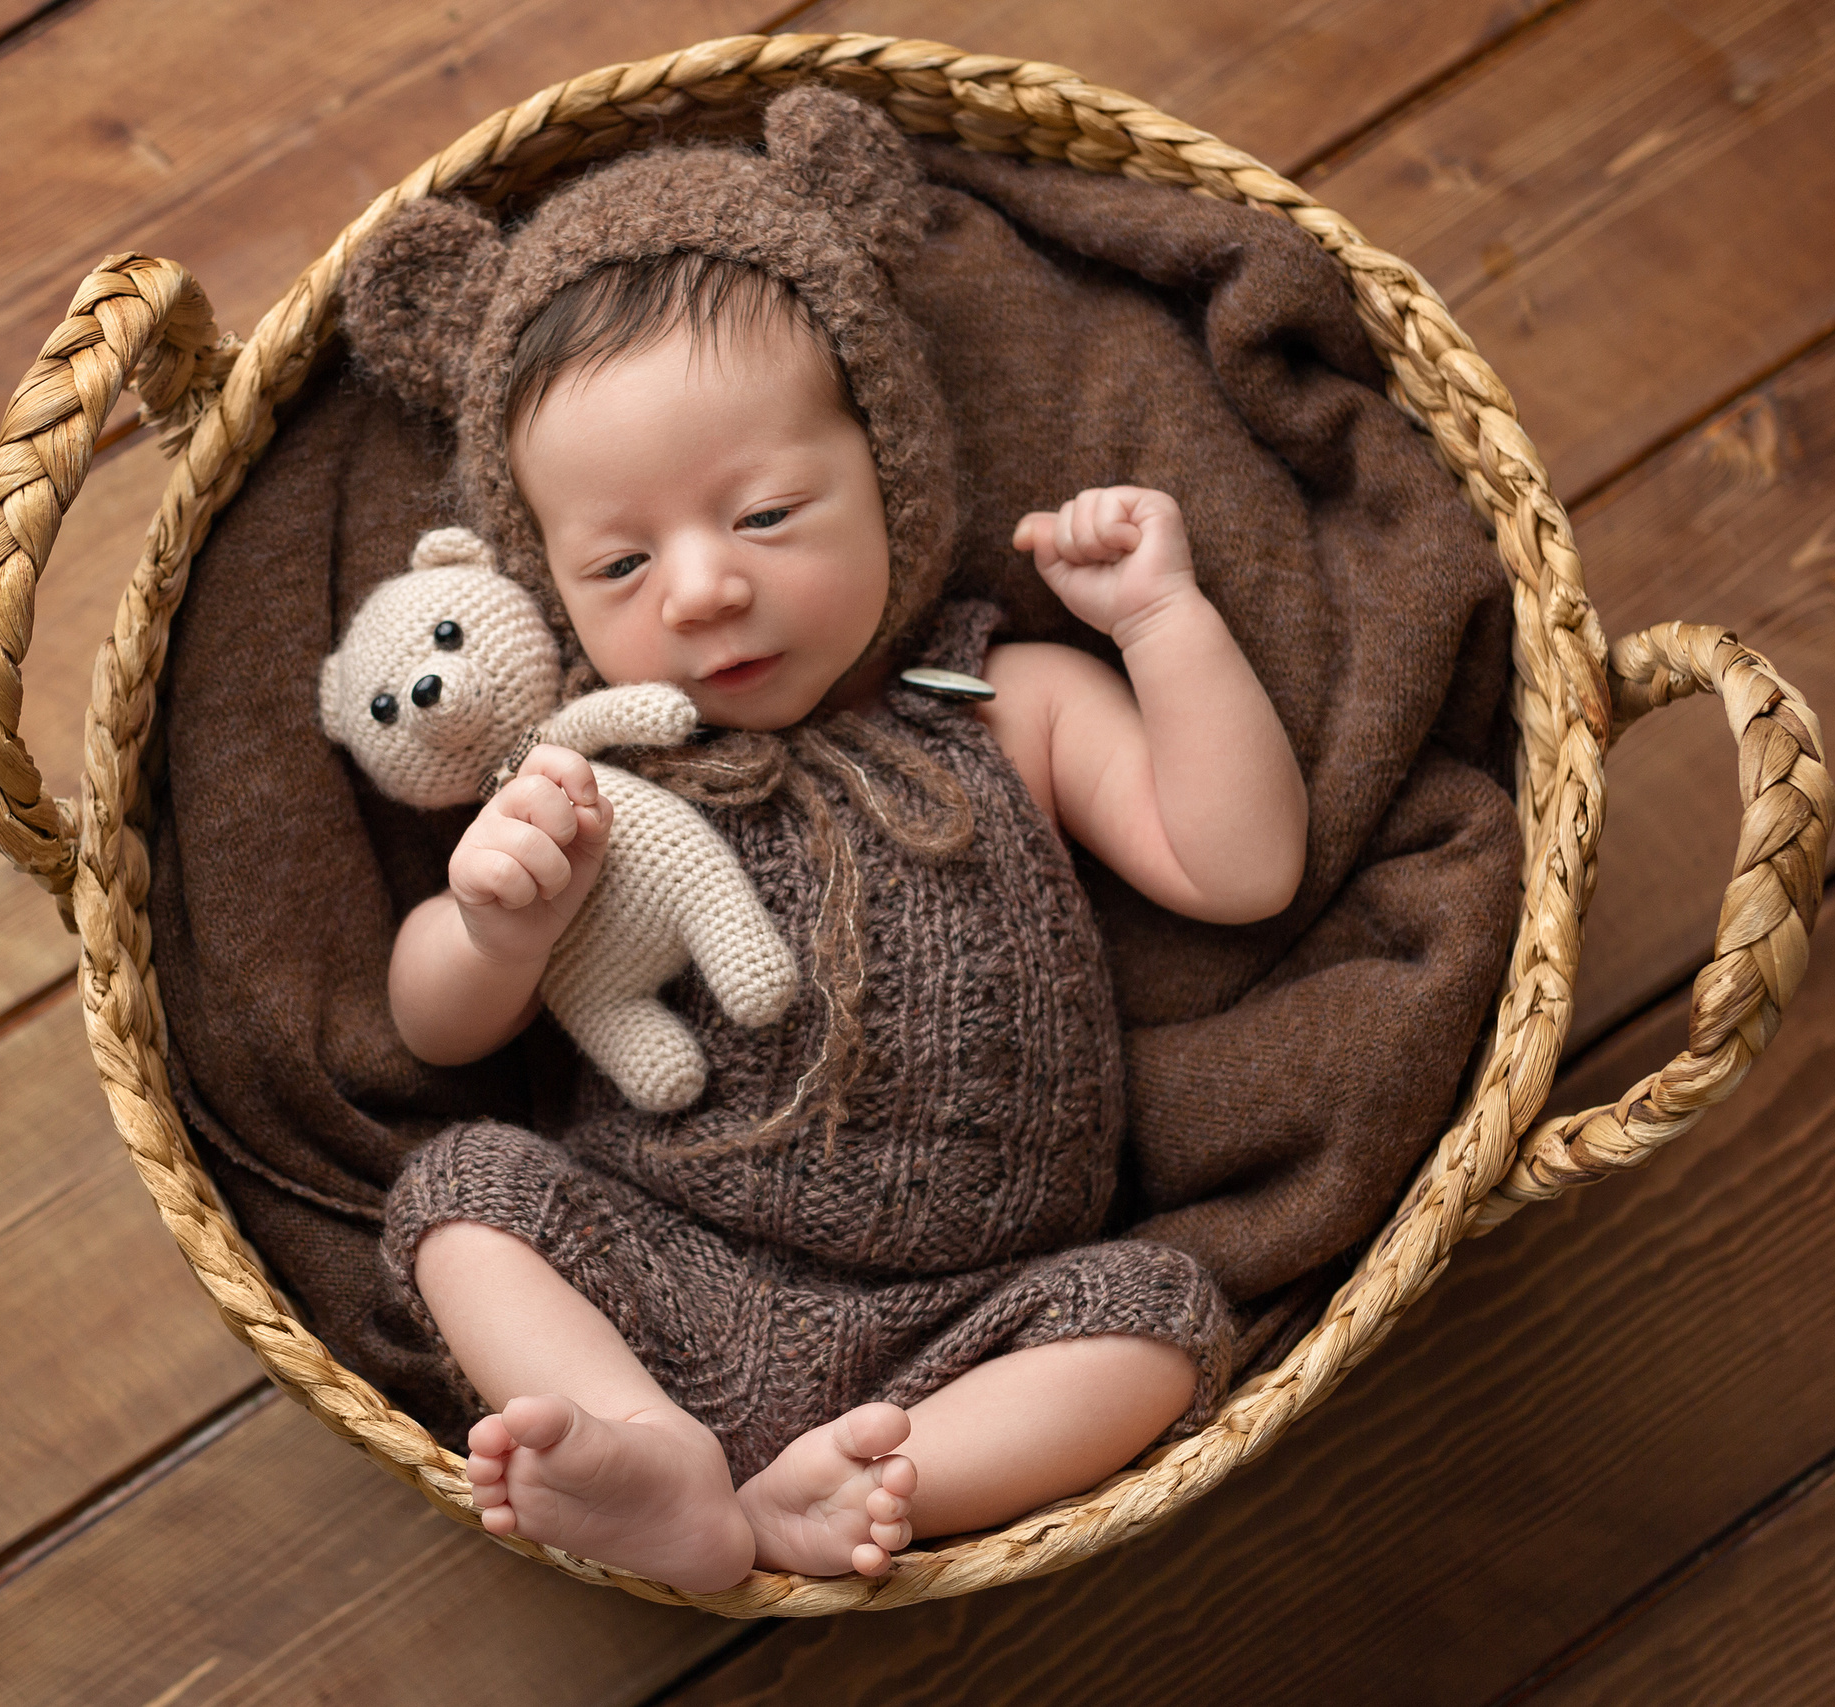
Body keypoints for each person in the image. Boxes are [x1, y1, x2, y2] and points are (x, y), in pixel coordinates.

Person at [351, 89, 1306, 1594]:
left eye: (770, 511)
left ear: (893, 473)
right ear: (547, 585)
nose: (705, 589)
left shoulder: (1005, 698)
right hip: (668, 1272)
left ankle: (847, 1496)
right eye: (619, 559)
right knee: (464, 1201)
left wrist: (1163, 623)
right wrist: (494, 927)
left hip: (971, 1321)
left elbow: (1239, 863)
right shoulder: (590, 778)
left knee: (1159, 1323)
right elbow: (432, 1031)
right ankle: (645, 1452)